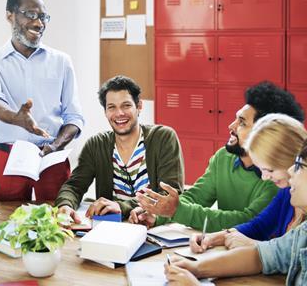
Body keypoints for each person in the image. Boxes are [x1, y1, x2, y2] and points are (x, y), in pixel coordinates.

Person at [131, 81, 305, 232]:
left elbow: (247, 220)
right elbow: (196, 197)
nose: (231, 125)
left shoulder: (280, 178)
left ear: (263, 132)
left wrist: (175, 211)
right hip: (225, 246)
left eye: (242, 122)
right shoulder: (223, 157)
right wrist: (159, 214)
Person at [0, 0, 84, 201]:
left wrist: (55, 145)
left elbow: (74, 117)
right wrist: (16, 118)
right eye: (31, 15)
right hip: (10, 157)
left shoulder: (61, 61)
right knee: (9, 221)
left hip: (52, 158)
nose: (39, 23)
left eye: (43, 17)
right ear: (10, 16)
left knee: (59, 220)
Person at [165, 138, 307, 286]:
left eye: (299, 165)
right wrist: (197, 268)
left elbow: (249, 221)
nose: (291, 170)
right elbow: (259, 256)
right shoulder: (302, 232)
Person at [55, 75, 184, 221]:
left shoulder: (163, 138)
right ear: (105, 112)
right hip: (111, 226)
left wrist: (121, 207)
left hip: (150, 224)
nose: (119, 113)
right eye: (112, 107)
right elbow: (74, 186)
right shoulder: (96, 144)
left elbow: (170, 195)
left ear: (139, 106)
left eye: (126, 105)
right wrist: (65, 205)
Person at [190, 114, 307, 253]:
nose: (264, 177)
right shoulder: (286, 192)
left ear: (294, 161)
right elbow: (259, 226)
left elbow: (290, 258)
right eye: (261, 169)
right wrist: (212, 238)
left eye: (270, 169)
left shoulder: (291, 193)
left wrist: (254, 245)